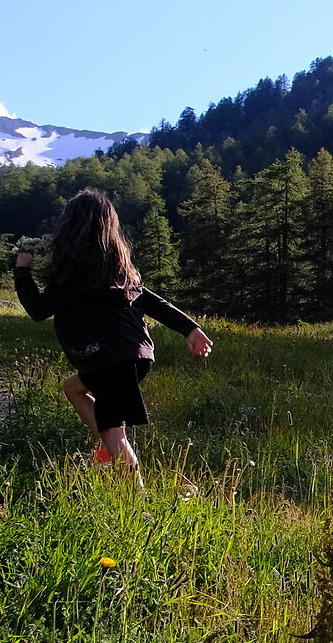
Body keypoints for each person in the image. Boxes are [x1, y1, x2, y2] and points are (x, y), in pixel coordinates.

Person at [14, 188, 210, 481]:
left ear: (70, 228)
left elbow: (38, 309)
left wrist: (22, 271)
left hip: (106, 359)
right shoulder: (116, 268)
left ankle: (136, 499)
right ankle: (106, 452)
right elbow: (153, 301)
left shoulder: (73, 273)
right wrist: (191, 328)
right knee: (74, 388)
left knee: (114, 431)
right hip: (134, 355)